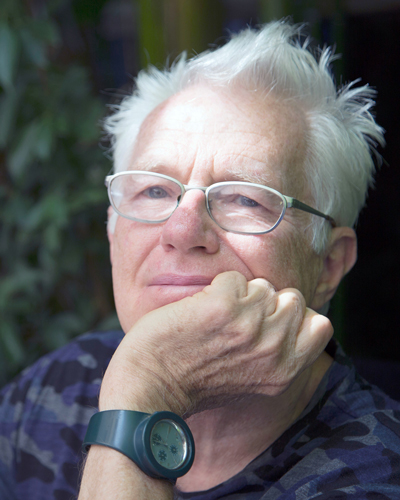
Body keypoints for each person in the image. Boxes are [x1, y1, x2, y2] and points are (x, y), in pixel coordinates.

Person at [1, 20, 400, 500]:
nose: (182, 231)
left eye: (244, 199)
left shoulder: (375, 473)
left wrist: (148, 388)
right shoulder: (52, 392)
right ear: (112, 231)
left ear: (330, 263)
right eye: (154, 190)